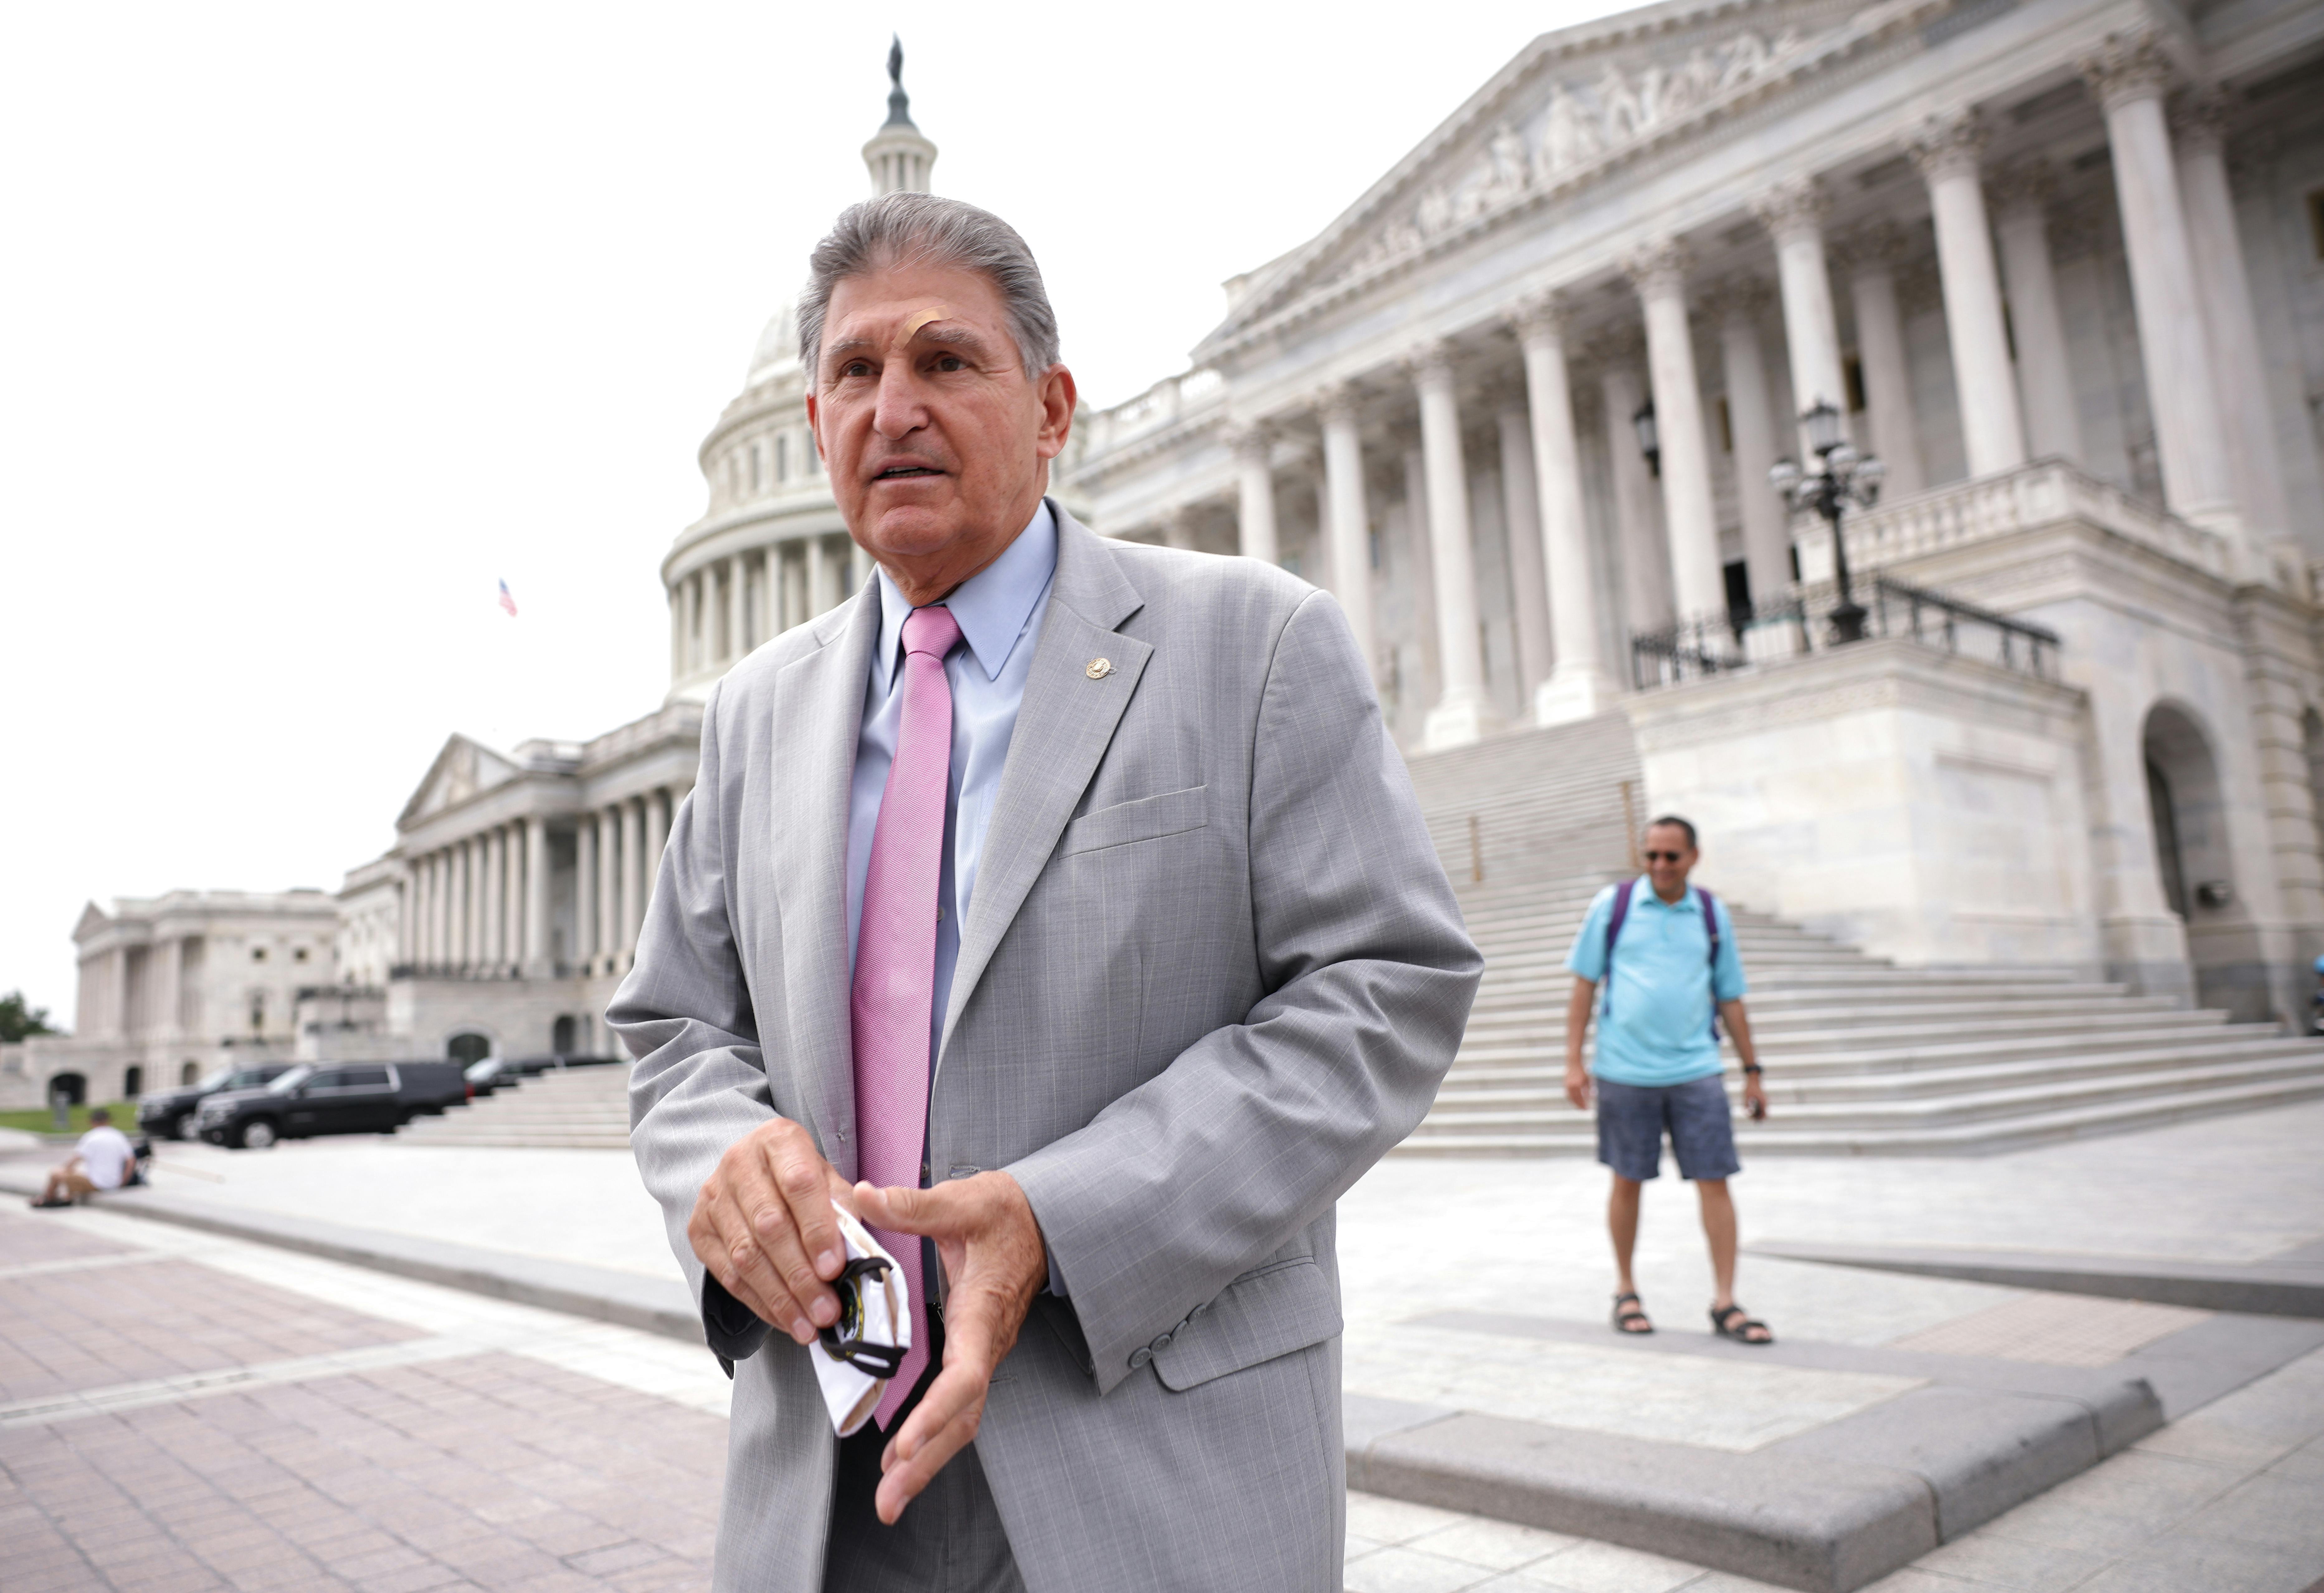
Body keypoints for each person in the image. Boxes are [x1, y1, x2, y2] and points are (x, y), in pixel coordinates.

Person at [611, 191, 1480, 1593]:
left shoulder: (1248, 644)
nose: (891, 406)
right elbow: (673, 1030)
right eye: (851, 372)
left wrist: (1058, 1216)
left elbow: (1385, 988)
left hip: (1143, 1459)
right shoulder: (754, 715)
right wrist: (721, 1158)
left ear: (1052, 406)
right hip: (824, 1489)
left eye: (944, 361)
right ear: (815, 419)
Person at [1562, 816, 1774, 1345]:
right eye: (1651, 855)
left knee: (1715, 1180)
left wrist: (1753, 1072)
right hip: (1623, 1070)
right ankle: (1626, 1291)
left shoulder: (1710, 913)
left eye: (1670, 857)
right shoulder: (1612, 908)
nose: (1659, 866)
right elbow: (1584, 986)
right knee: (1627, 1180)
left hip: (1696, 1069)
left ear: (1693, 858)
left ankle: (1725, 1302)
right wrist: (1573, 1061)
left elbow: (1731, 997)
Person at [29, 1107, 136, 1208]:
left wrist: (66, 1171)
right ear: (108, 1121)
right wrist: (123, 1182)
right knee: (75, 1176)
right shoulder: (118, 1136)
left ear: (92, 1122)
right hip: (115, 1183)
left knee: (56, 1173)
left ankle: (49, 1199)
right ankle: (66, 1196)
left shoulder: (91, 1137)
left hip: (97, 1184)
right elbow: (131, 1161)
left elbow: (73, 1162)